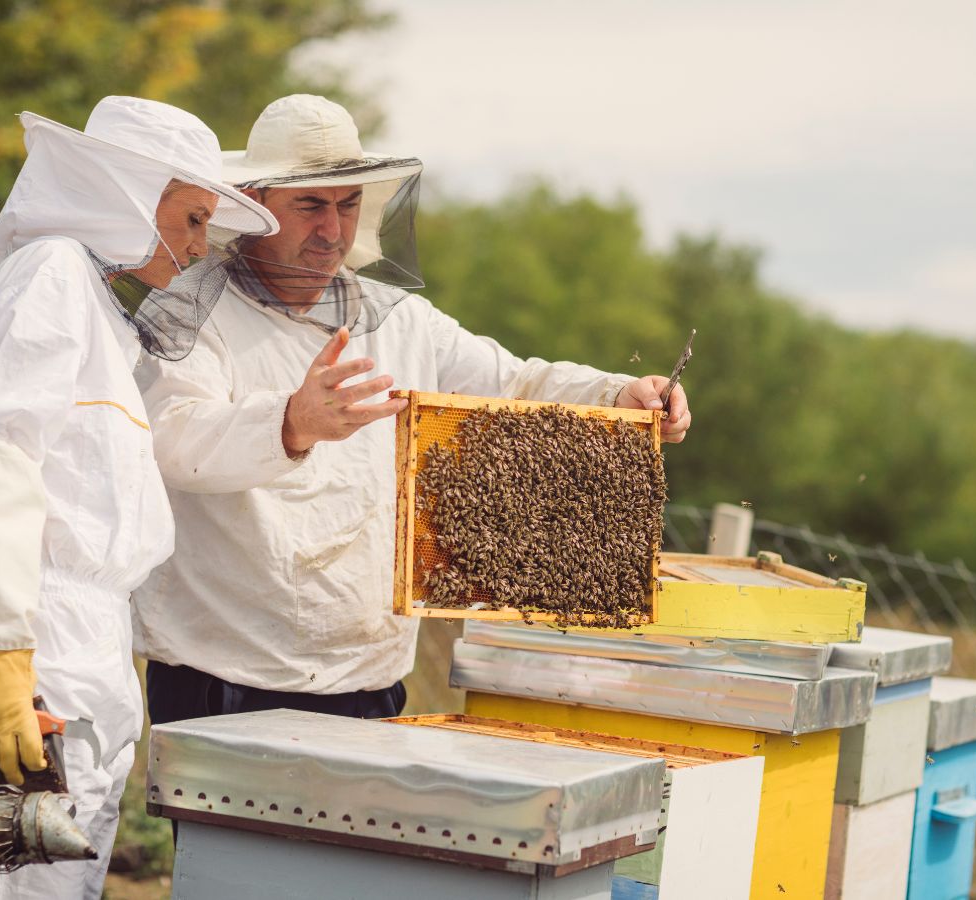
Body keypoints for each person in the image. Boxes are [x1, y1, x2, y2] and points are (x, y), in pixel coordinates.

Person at [131, 94, 691, 727]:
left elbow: (512, 382)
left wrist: (619, 395)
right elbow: (171, 443)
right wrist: (291, 422)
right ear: (255, 205)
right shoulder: (188, 313)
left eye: (348, 205)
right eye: (311, 205)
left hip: (372, 675)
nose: (333, 230)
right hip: (227, 675)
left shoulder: (398, 319)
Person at [0, 96, 276, 899]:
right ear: (128, 194)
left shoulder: (92, 308)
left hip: (77, 658)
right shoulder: (48, 273)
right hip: (36, 656)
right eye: (191, 219)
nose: (196, 249)